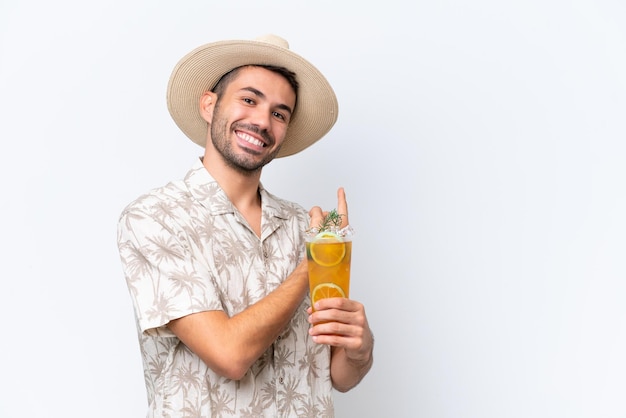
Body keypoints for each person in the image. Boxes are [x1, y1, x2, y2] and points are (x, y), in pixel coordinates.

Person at [117, 34, 374, 418]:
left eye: (279, 113)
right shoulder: (155, 217)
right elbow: (229, 355)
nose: (261, 121)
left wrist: (360, 348)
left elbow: (334, 374)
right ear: (209, 104)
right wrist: (313, 262)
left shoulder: (306, 225)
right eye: (249, 100)